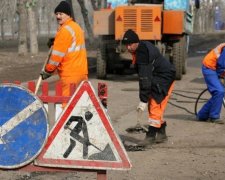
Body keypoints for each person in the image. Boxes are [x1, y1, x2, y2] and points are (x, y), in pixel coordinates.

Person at [122, 29, 176, 148]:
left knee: (155, 104)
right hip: (159, 76)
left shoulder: (142, 53)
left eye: (130, 44)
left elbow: (145, 80)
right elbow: (145, 78)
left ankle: (150, 136)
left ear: (136, 42)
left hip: (164, 77)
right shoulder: (140, 48)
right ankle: (161, 134)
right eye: (126, 45)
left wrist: (143, 100)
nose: (128, 47)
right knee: (155, 104)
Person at [40, 1, 88, 109]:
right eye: (56, 14)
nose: (58, 16)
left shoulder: (65, 31)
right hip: (82, 72)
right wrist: (56, 41)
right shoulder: (76, 27)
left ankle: (67, 126)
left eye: (61, 14)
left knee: (67, 106)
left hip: (70, 75)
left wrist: (48, 70)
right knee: (80, 105)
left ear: (68, 15)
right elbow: (70, 46)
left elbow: (56, 56)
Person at [197, 44, 225, 124]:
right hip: (209, 67)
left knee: (218, 94)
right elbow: (221, 64)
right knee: (219, 91)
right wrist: (220, 77)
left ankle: (202, 115)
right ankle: (214, 117)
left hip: (216, 67)